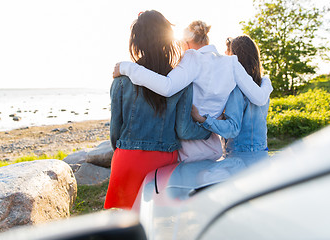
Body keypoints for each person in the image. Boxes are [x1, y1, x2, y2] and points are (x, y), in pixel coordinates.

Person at [113, 21, 273, 162]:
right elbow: (259, 98)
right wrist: (267, 82)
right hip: (213, 144)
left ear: (187, 42)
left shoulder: (192, 58)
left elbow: (167, 87)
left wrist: (128, 67)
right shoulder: (232, 63)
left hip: (187, 147)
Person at [104, 10, 211, 210]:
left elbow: (115, 131)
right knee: (161, 224)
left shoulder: (121, 79)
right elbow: (184, 130)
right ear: (167, 39)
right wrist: (211, 129)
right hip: (163, 164)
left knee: (123, 226)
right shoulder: (181, 79)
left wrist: (124, 150)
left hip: (126, 159)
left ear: (136, 42)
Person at [192, 35, 270, 166]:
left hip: (240, 158)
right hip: (262, 153)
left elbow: (233, 129)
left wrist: (202, 119)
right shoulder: (262, 85)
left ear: (236, 57)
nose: (224, 56)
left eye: (228, 53)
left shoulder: (236, 89)